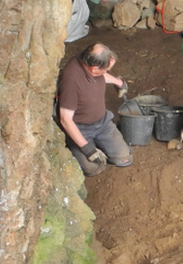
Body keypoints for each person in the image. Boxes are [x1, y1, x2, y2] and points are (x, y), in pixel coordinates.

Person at [56, 43, 131, 177]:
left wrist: (118, 82)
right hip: (81, 128)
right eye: (105, 70)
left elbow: (102, 75)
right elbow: (65, 120)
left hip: (103, 123)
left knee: (123, 158)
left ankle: (102, 144)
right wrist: (88, 149)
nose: (106, 72)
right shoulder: (71, 82)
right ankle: (81, 147)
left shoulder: (88, 58)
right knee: (92, 168)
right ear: (94, 69)